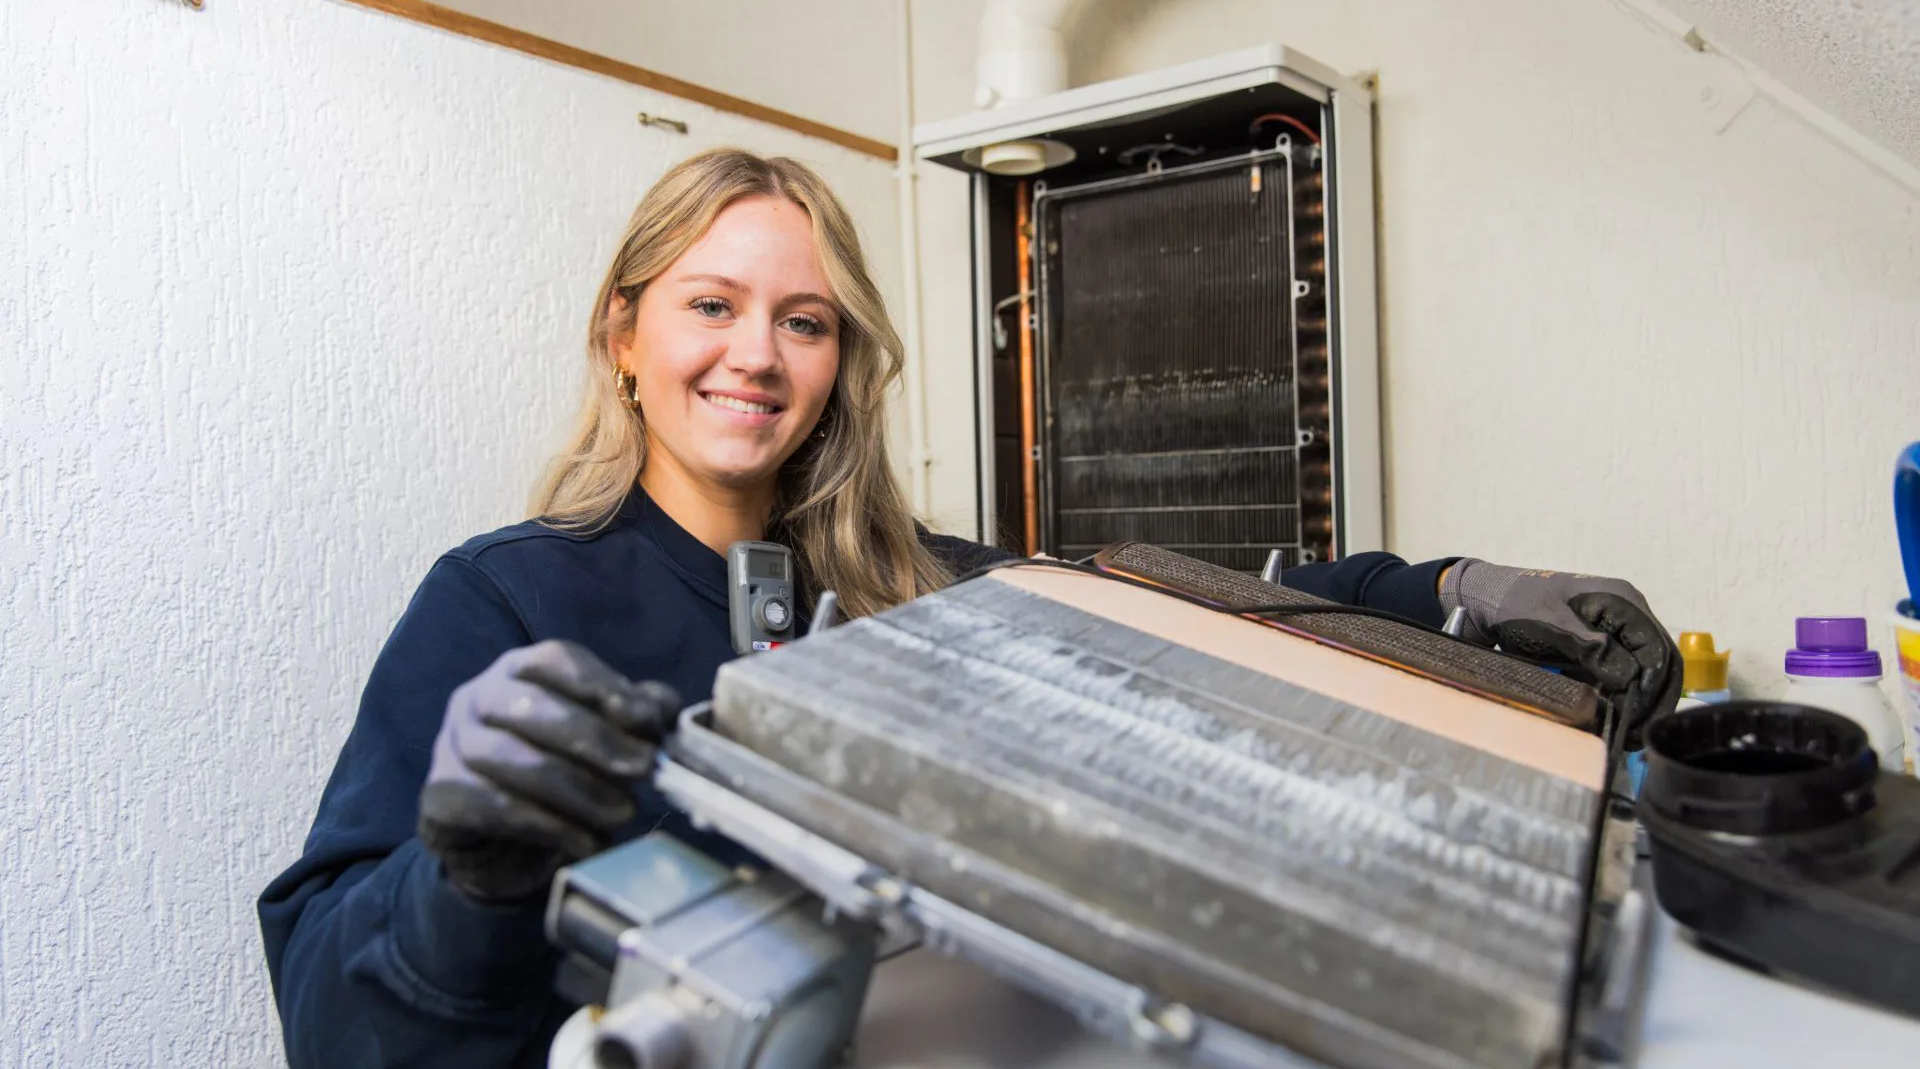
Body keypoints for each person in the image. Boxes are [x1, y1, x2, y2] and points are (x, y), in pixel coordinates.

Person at [258, 148, 1678, 1068]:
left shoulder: (916, 585)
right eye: (710, 306)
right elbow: (327, 1014)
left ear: (841, 363)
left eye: (804, 321)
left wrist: (1452, 596)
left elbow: (1205, 615)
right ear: (622, 335)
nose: (757, 355)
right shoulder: (503, 600)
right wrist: (461, 881)